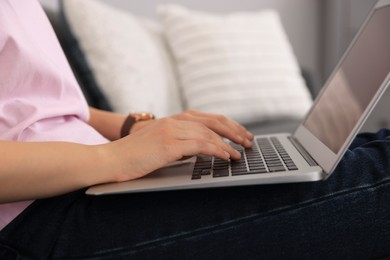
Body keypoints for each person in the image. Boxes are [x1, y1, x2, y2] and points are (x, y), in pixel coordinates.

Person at [0, 1, 389, 259]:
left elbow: (33, 98)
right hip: (39, 218)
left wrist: (132, 127)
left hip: (80, 177)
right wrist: (112, 158)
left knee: (373, 150)